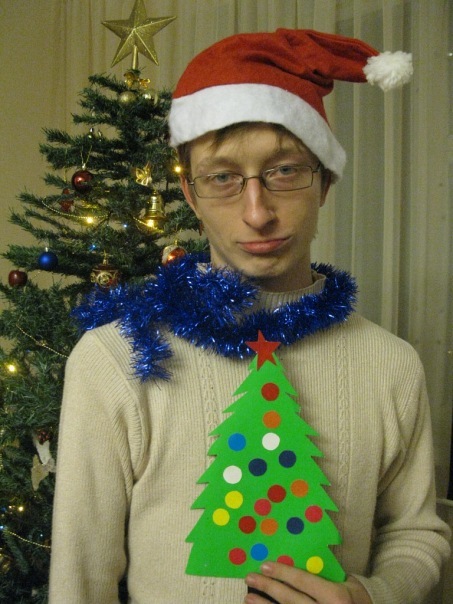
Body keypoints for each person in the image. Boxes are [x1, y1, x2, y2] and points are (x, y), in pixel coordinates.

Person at [49, 29, 451, 604]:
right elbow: (80, 582)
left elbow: (415, 533)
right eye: (222, 178)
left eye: (284, 171)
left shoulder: (391, 365)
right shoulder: (115, 360)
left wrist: (371, 595)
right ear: (190, 194)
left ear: (325, 180)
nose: (258, 213)